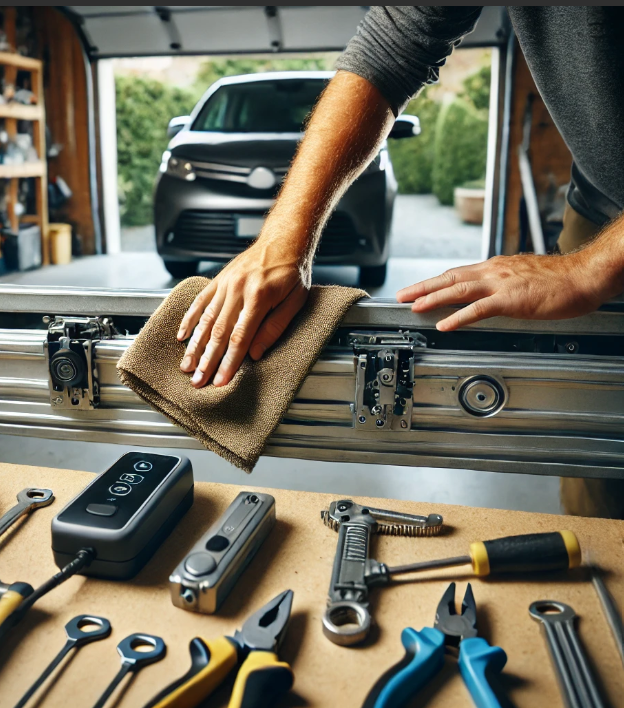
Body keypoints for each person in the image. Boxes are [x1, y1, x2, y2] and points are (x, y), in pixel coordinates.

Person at [175, 7, 624, 516]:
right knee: (600, 464)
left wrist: (594, 268)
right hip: (603, 203)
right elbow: (394, 43)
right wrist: (280, 244)